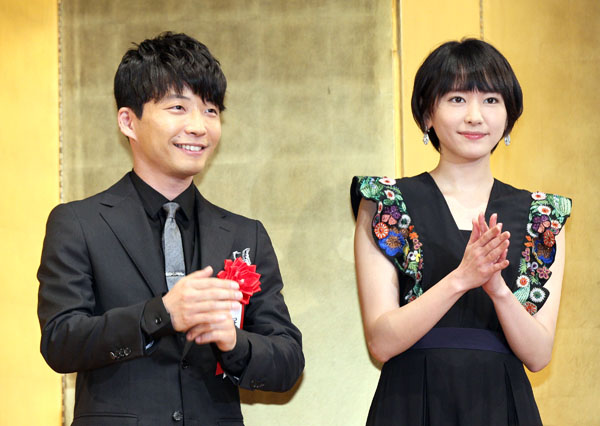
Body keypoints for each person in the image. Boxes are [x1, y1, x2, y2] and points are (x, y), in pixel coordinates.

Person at [38, 32, 304, 426]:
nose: (198, 126)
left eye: (211, 110)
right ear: (128, 121)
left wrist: (234, 342)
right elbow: (61, 341)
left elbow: (288, 362)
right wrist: (159, 314)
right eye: (178, 107)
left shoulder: (244, 235)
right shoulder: (79, 223)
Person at [351, 38, 571, 425]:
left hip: (502, 405)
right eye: (457, 99)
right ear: (427, 114)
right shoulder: (385, 203)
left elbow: (539, 355)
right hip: (411, 402)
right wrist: (461, 279)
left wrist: (498, 290)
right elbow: (381, 342)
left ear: (508, 117)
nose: (475, 116)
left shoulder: (543, 216)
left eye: (491, 100)